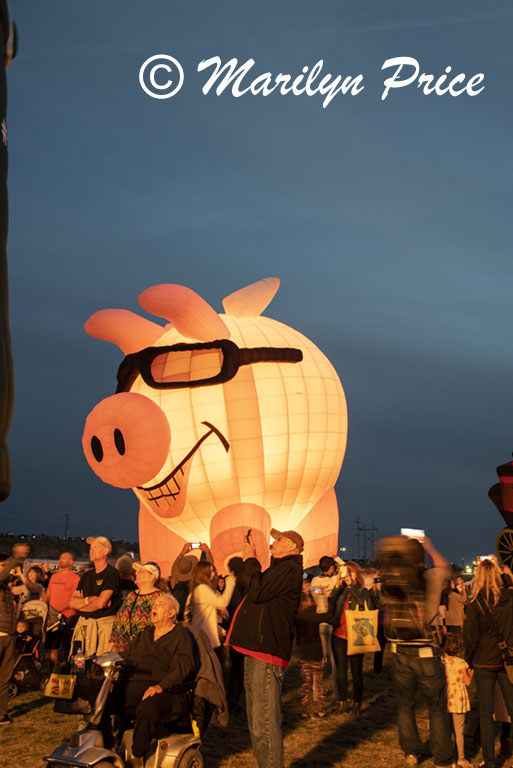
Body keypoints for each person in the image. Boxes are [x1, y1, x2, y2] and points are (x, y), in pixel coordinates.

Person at [227, 528, 303, 768]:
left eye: (280, 539)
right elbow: (251, 589)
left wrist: (251, 559)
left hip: (267, 653)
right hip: (256, 649)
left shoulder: (290, 570)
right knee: (256, 723)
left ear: (293, 547)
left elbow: (257, 592)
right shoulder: (278, 569)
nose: (274, 541)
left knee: (265, 724)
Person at [377, 534, 454, 768]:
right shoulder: (429, 577)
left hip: (399, 649)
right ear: (420, 559)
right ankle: (442, 758)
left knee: (405, 704)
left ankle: (411, 752)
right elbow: (445, 568)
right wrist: (429, 546)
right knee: (437, 706)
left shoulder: (392, 579)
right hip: (426, 649)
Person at [118, 592, 197, 768]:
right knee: (102, 696)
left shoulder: (181, 636)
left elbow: (182, 668)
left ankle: (136, 756)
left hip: (168, 692)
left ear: (171, 613)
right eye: (154, 605)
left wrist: (161, 686)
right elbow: (123, 657)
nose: (154, 606)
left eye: (160, 604)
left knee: (148, 706)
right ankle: (106, 745)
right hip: (134, 686)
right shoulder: (144, 635)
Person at [463, 556, 513, 768]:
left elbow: (470, 638)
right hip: (508, 659)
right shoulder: (509, 598)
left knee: (486, 711)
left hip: (484, 661)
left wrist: (467, 661)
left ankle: (490, 761)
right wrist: (505, 574)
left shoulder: (475, 604)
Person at [329, 560, 371, 716]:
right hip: (339, 633)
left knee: (356, 671)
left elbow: (362, 601)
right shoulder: (341, 590)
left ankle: (357, 702)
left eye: (350, 572)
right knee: (340, 669)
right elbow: (331, 601)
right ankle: (342, 702)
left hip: (357, 634)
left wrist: (350, 585)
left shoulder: (363, 589)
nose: (348, 575)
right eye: (346, 572)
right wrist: (338, 584)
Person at [69, 536, 121, 658]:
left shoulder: (112, 574)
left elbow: (100, 604)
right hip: (84, 625)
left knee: (100, 663)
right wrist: (89, 600)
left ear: (106, 551)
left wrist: (81, 607)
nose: (91, 550)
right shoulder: (87, 576)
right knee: (78, 663)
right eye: (90, 548)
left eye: (96, 547)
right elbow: (72, 602)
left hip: (102, 628)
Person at [186, 560, 235, 663]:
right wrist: (230, 582)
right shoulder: (202, 589)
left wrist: (218, 629)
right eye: (212, 571)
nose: (215, 573)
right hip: (207, 640)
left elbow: (203, 616)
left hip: (205, 638)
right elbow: (222, 603)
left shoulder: (198, 590)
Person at [295, 579, 330, 719]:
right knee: (318, 683)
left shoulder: (299, 616)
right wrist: (322, 596)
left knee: (306, 683)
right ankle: (320, 708)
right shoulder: (313, 616)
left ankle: (305, 709)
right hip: (316, 651)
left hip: (305, 652)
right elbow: (327, 615)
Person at [108, 561, 162, 653]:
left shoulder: (160, 598)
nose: (136, 573)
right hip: (121, 653)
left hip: (144, 655)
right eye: (137, 571)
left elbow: (164, 628)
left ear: (152, 576)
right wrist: (109, 650)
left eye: (141, 571)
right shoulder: (131, 596)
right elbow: (117, 624)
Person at [44, 551, 80, 673]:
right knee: (53, 648)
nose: (61, 560)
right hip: (53, 618)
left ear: (71, 561)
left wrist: (66, 607)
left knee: (67, 647)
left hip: (68, 617)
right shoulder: (54, 576)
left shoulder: (75, 578)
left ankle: (68, 672)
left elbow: (77, 597)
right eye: (60, 558)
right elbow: (48, 594)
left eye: (64, 558)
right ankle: (51, 673)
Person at [442, 633, 473, 768]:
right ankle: (461, 758)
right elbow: (467, 682)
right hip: (458, 700)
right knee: (459, 731)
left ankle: (449, 758)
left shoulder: (441, 662)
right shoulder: (462, 663)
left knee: (446, 730)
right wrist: (471, 673)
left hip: (445, 698)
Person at [311, 555, 338, 698]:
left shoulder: (314, 581)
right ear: (331, 567)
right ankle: (338, 692)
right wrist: (338, 560)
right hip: (331, 621)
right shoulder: (333, 581)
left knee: (319, 661)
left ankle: (316, 692)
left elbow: (313, 594)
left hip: (318, 621)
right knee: (335, 660)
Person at [0, 550, 17, 724]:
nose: (6, 569)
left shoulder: (5, 587)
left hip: (8, 635)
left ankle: (2, 713)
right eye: (3, 566)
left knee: (4, 677)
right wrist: (17, 558)